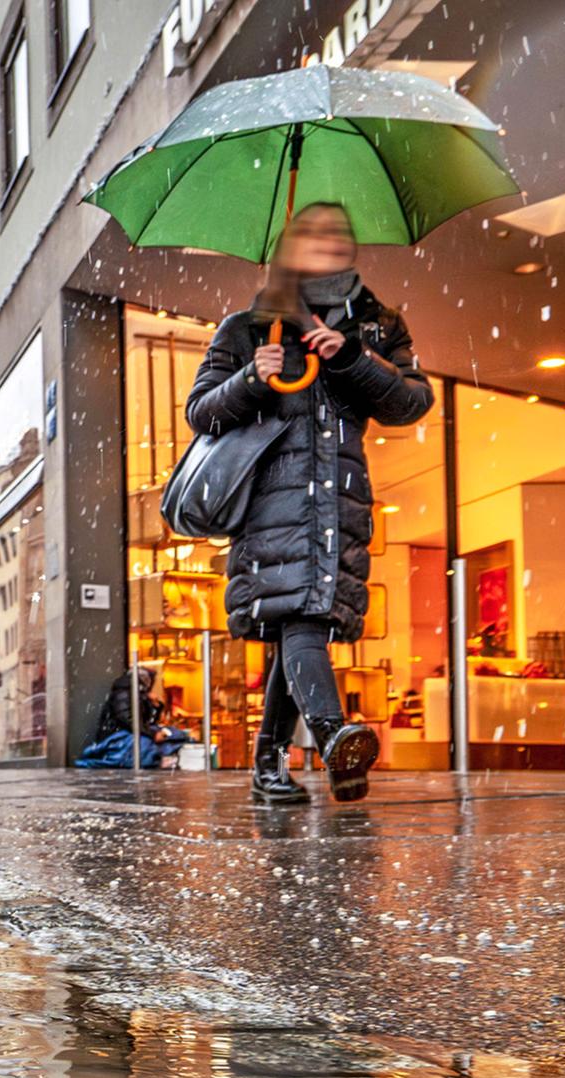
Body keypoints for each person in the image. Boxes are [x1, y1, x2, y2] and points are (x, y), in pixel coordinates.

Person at [186, 201, 433, 804]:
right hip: (273, 503)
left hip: (341, 503)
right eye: (313, 231)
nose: (329, 240)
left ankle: (269, 765)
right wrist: (249, 379)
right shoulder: (247, 327)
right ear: (288, 246)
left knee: (300, 631)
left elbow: (410, 403)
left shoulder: (377, 325)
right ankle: (331, 736)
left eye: (339, 231)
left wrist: (350, 358)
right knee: (301, 623)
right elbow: (201, 412)